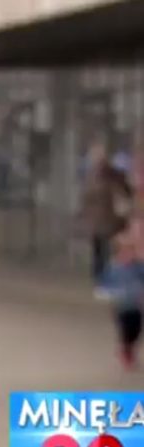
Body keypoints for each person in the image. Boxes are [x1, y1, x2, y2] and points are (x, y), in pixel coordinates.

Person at [82, 140, 132, 293]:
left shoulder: (111, 173)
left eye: (97, 155)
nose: (95, 158)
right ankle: (100, 280)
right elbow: (87, 197)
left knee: (110, 250)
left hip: (109, 219)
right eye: (94, 155)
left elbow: (124, 190)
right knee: (99, 251)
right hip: (97, 219)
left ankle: (110, 279)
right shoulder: (91, 174)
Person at [104, 224, 144, 369]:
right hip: (121, 306)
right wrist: (108, 294)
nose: (129, 255)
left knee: (136, 330)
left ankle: (129, 349)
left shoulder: (138, 267)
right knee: (125, 331)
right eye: (125, 251)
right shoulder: (114, 268)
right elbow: (107, 283)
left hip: (136, 305)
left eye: (131, 251)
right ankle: (126, 352)